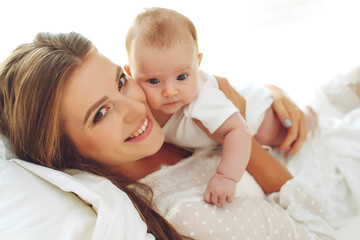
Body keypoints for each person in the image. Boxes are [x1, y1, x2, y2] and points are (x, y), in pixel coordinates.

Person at [0, 32, 343, 240]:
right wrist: (238, 132)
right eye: (100, 113)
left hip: (320, 121)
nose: (136, 107)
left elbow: (215, 85)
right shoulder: (186, 211)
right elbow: (318, 231)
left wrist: (271, 93)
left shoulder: (154, 111)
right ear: (64, 152)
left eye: (120, 81)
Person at [124, 7, 317, 205]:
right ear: (130, 73)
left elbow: (238, 130)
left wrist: (226, 177)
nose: (170, 91)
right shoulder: (135, 105)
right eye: (154, 81)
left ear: (197, 63)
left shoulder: (203, 100)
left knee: (283, 131)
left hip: (257, 112)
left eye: (182, 77)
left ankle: (311, 115)